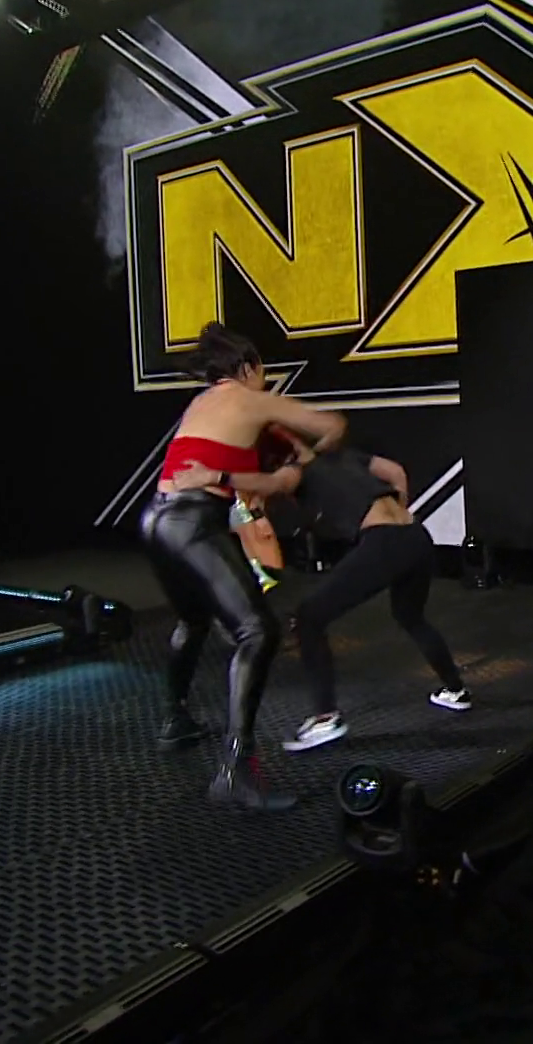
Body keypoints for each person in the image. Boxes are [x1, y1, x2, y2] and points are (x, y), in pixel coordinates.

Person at [141, 322, 347, 812]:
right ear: (249, 367)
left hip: (156, 520)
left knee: (193, 620)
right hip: (193, 523)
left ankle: (174, 720)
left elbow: (231, 458)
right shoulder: (253, 399)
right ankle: (234, 772)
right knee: (258, 633)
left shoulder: (203, 402)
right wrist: (303, 464)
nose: (265, 380)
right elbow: (333, 425)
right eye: (263, 371)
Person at [172, 430, 473, 753]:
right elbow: (394, 471)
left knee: (309, 618)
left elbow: (270, 484)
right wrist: (399, 507)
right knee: (410, 615)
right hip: (416, 536)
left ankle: (326, 718)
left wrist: (213, 476)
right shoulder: (343, 456)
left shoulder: (296, 472)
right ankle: (455, 691)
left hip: (384, 543)